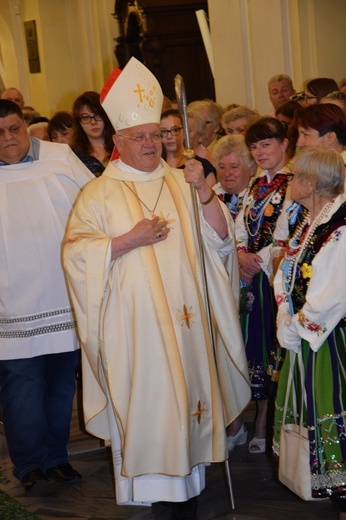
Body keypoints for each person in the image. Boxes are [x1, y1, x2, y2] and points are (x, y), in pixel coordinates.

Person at [63, 57, 250, 518]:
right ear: (118, 141)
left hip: (189, 330)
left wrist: (205, 194)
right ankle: (153, 498)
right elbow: (75, 256)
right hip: (137, 332)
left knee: (189, 409)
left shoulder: (181, 179)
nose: (149, 144)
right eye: (139, 137)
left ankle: (188, 493)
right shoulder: (97, 194)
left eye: (155, 135)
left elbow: (220, 243)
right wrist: (128, 241)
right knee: (152, 411)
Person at [0, 100, 93, 494]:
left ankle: (56, 457)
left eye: (14, 129)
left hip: (63, 294)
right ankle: (29, 463)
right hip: (11, 301)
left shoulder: (60, 157)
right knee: (21, 389)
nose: (7, 139)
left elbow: (96, 206)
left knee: (60, 387)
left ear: (26, 126)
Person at [273, 146, 346, 519]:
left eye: (296, 175)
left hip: (330, 340)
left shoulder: (339, 226)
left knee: (335, 411)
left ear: (312, 184)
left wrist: (298, 326)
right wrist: (285, 310)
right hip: (306, 336)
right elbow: (287, 269)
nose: (290, 181)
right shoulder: (311, 220)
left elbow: (333, 295)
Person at [235, 117, 291, 454]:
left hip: (274, 275)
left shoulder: (295, 182)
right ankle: (255, 415)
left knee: (274, 345)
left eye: (266, 144)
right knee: (254, 344)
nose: (259, 152)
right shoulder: (256, 185)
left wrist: (258, 258)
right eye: (254, 146)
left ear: (285, 144)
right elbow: (241, 223)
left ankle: (270, 420)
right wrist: (241, 253)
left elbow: (291, 229)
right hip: (252, 277)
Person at [160, 108, 217, 186]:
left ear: (185, 132)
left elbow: (210, 197)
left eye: (175, 130)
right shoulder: (155, 166)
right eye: (164, 131)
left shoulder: (203, 166)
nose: (169, 136)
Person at [212, 134, 257, 221]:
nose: (227, 173)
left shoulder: (258, 197)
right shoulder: (210, 197)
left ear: (251, 169)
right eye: (222, 167)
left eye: (234, 167)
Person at [71, 90, 115, 176]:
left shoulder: (121, 147)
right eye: (86, 117)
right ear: (78, 122)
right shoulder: (73, 155)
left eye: (97, 115)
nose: (93, 122)